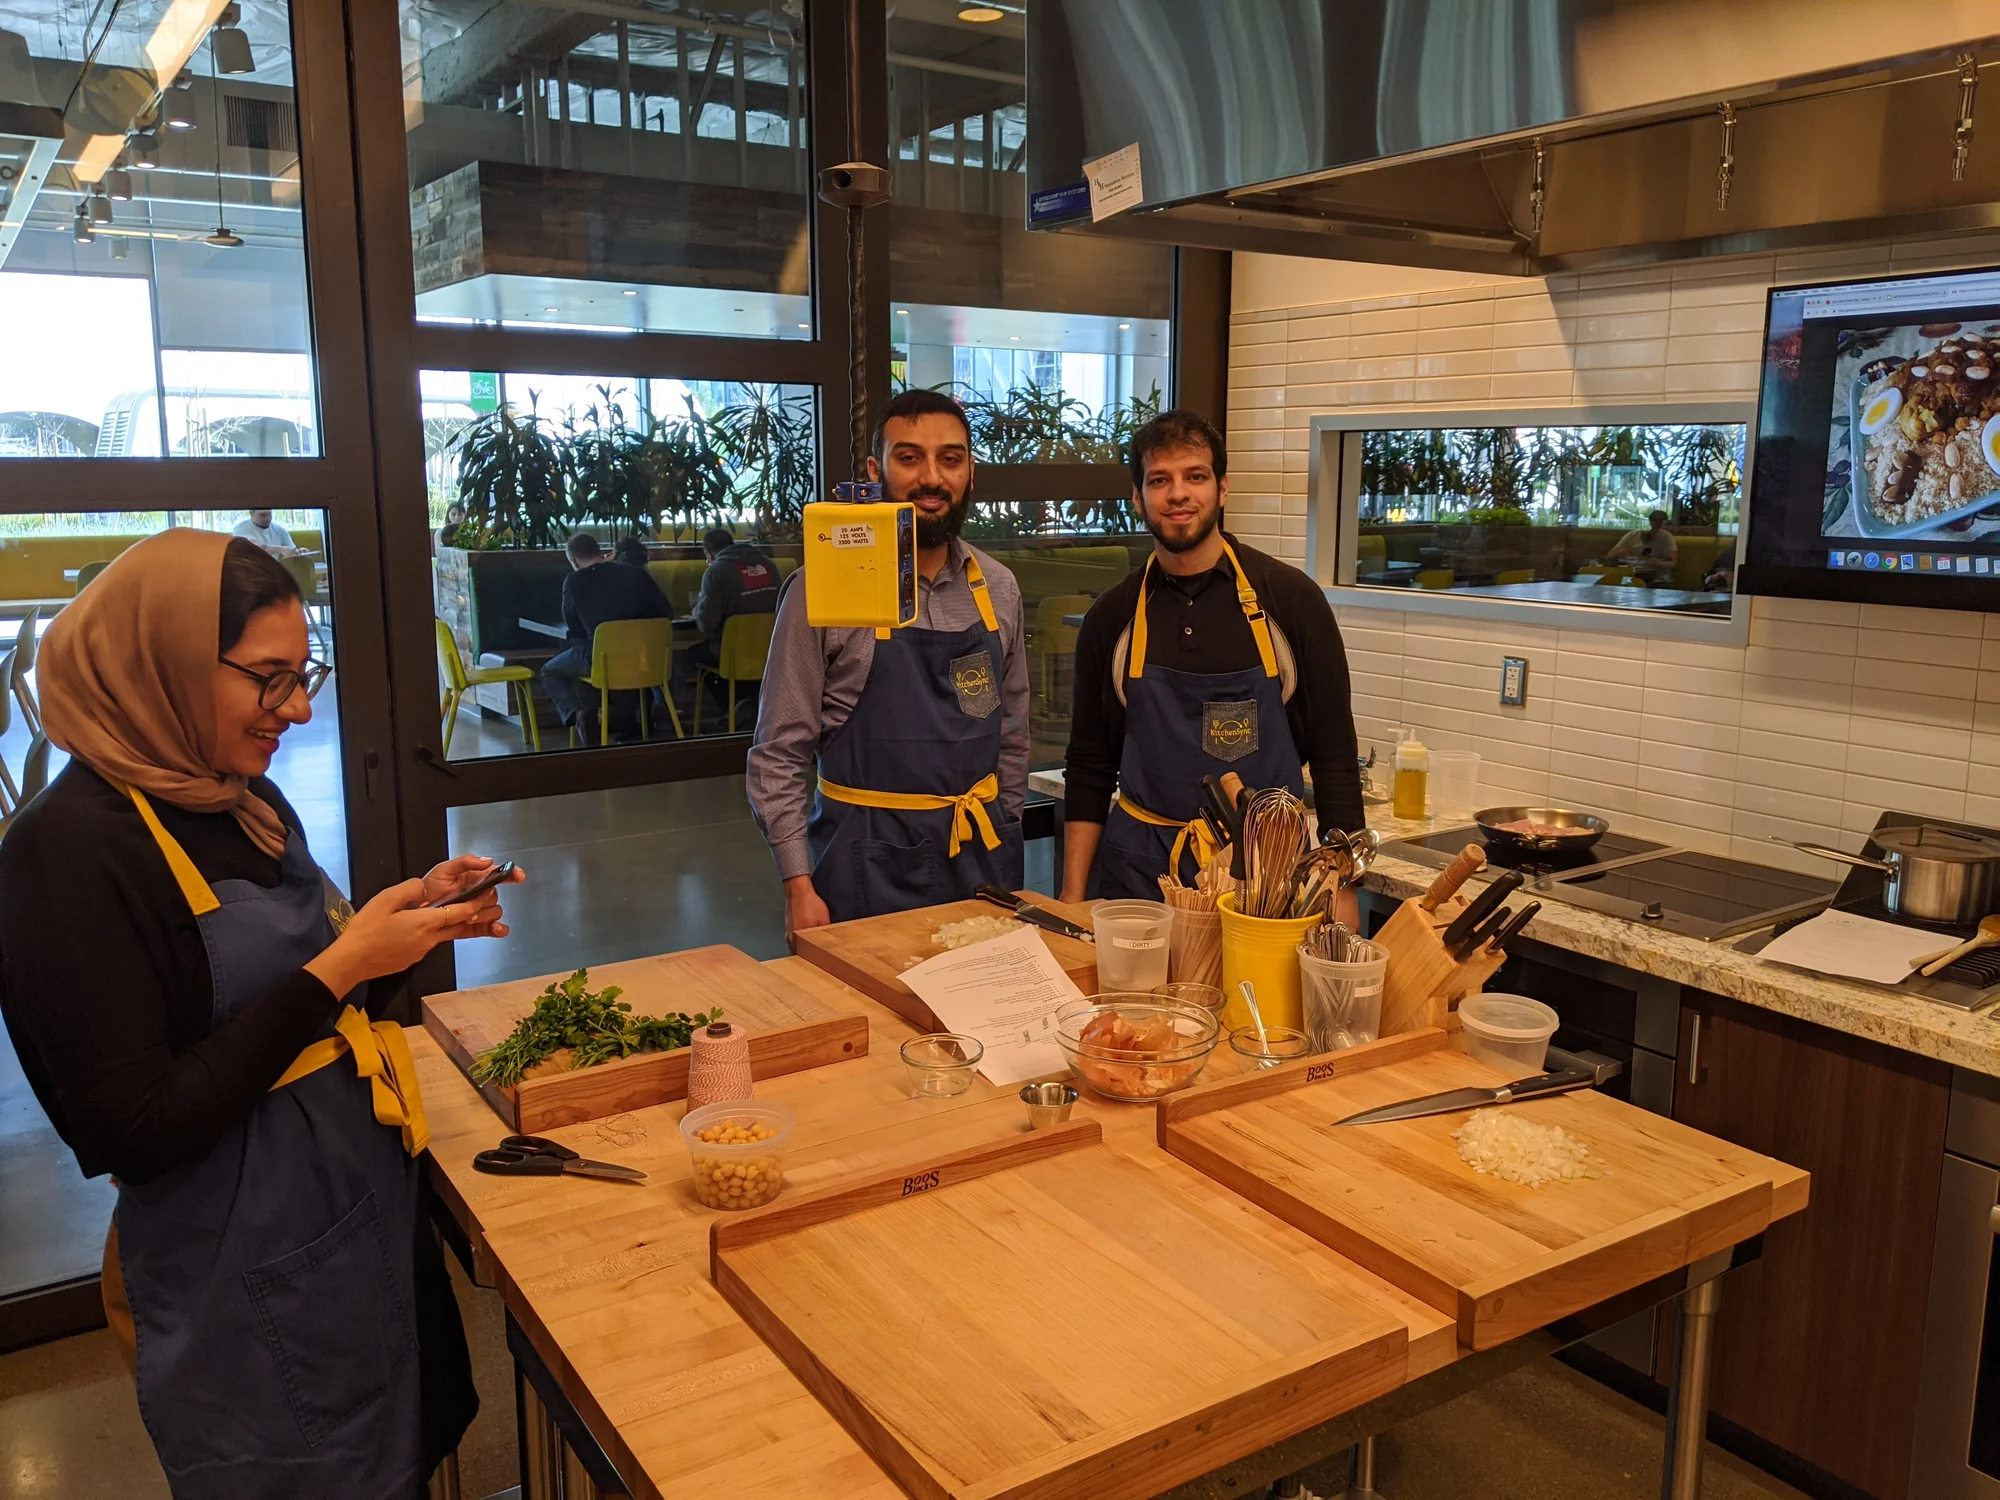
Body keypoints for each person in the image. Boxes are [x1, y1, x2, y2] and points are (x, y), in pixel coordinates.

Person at [0, 531, 522, 1499]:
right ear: (159, 664)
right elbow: (136, 1125)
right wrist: (339, 968)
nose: (300, 708)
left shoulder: (240, 798)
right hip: (239, 1268)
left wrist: (403, 925)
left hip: (354, 1224)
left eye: (303, 672)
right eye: (269, 680)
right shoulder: (61, 857)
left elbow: (311, 1000)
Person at [1061, 409, 1365, 908]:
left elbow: (1334, 757)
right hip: (1142, 873)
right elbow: (1090, 764)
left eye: (1194, 476)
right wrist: (1072, 895)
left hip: (1266, 873)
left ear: (1222, 489)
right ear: (1138, 497)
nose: (1178, 493)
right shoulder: (1112, 616)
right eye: (1159, 480)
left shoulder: (1290, 601)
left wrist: (1344, 890)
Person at [748, 389, 1027, 933]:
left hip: (981, 864)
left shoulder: (998, 587)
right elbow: (778, 752)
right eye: (909, 457)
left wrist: (1008, 828)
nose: (931, 478)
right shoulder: (822, 589)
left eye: (950, 458)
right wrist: (797, 886)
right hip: (862, 868)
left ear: (970, 470)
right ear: (877, 470)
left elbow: (1012, 733)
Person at [539, 530, 672, 739]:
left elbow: (573, 626)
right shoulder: (636, 574)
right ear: (600, 552)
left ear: (573, 560)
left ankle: (578, 713)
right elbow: (666, 612)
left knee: (550, 671)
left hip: (602, 660)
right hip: (646, 659)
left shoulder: (574, 581)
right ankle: (651, 710)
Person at [687, 525, 779, 677]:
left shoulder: (715, 572)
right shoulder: (768, 565)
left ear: (710, 554)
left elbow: (707, 625)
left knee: (690, 656)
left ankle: (731, 699)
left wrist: (698, 613)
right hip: (770, 649)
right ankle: (748, 697)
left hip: (733, 652)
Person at [1606, 509, 1679, 582]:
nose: (1649, 532)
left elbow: (1673, 563)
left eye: (1654, 529)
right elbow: (1609, 555)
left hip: (1657, 579)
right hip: (1632, 577)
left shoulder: (1666, 537)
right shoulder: (1632, 535)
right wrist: (1618, 553)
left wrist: (1658, 563)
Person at [233, 507, 299, 557]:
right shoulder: (241, 529)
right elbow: (253, 548)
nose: (267, 518)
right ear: (251, 513)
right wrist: (281, 550)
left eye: (270, 514)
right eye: (263, 515)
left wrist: (299, 552)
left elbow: (292, 549)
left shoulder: (279, 530)